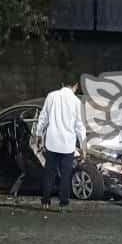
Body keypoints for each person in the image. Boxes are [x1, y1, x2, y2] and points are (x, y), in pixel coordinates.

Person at [36, 81, 86, 211]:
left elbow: (43, 118)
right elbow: (80, 126)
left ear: (62, 83)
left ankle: (45, 201)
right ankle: (63, 204)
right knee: (65, 175)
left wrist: (38, 135)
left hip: (52, 143)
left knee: (49, 174)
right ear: (75, 86)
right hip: (67, 146)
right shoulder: (76, 102)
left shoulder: (51, 96)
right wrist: (84, 146)